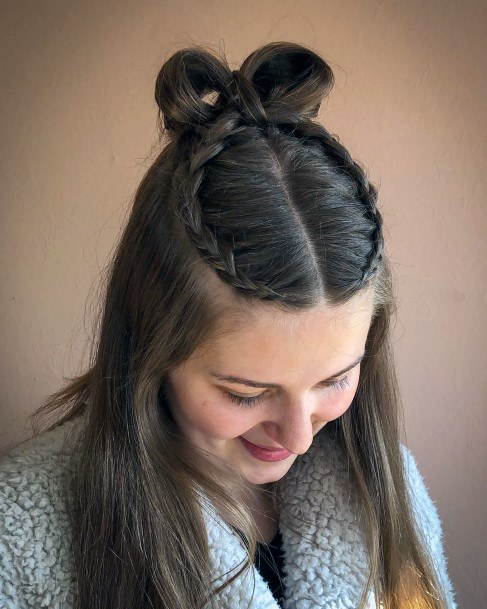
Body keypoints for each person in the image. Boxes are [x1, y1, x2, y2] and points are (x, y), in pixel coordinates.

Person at [0, 41, 457, 609]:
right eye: (245, 394)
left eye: (335, 379)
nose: (298, 436)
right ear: (152, 348)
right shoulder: (20, 539)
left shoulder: (387, 487)